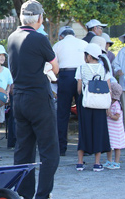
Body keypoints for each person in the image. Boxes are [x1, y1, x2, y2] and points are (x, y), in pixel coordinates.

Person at [7, 0, 59, 199]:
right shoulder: (40, 38)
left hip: (19, 98)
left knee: (23, 150)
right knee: (49, 151)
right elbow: (55, 67)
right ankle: (42, 195)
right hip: (38, 97)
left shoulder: (12, 37)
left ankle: (23, 194)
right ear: (39, 18)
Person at [75, 43, 112, 172]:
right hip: (101, 103)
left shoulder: (81, 68)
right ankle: (97, 163)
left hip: (86, 103)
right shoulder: (104, 69)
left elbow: (79, 89)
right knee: (99, 130)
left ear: (89, 56)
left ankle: (80, 162)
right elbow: (108, 88)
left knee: (84, 130)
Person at [52, 26, 88, 156]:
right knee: (83, 112)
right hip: (82, 76)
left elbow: (52, 65)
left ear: (61, 36)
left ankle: (61, 148)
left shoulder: (58, 45)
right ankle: (86, 146)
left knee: (62, 114)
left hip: (65, 76)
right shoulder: (84, 43)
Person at [104, 82, 125, 169]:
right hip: (110, 129)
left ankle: (117, 162)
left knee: (117, 147)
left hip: (116, 130)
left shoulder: (116, 105)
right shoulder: (109, 104)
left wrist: (110, 115)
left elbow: (117, 117)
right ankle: (109, 160)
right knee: (109, 146)